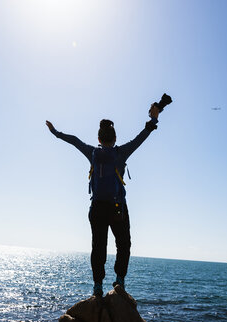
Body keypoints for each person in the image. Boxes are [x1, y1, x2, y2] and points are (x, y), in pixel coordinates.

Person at [45, 104, 161, 296]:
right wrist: (155, 119)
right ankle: (120, 280)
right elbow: (143, 136)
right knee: (123, 245)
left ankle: (97, 286)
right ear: (115, 138)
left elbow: (74, 140)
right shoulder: (121, 152)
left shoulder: (93, 153)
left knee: (98, 246)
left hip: (97, 207)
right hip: (117, 208)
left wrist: (55, 132)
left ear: (99, 138)